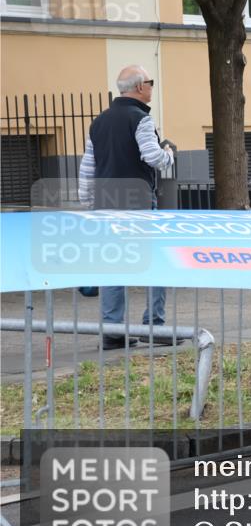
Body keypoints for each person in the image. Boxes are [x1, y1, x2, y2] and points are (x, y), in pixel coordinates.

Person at [79, 65, 174, 350]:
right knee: (155, 260)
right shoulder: (141, 118)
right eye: (150, 82)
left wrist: (88, 203)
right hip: (138, 200)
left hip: (105, 201)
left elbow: (88, 166)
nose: (152, 87)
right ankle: (153, 326)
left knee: (112, 263)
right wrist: (168, 155)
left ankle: (113, 331)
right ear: (139, 87)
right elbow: (151, 156)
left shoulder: (99, 122)